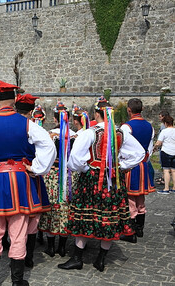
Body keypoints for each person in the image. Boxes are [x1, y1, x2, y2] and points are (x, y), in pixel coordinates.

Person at [0, 81, 56, 286]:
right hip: (21, 181)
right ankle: (17, 281)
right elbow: (49, 146)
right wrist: (37, 168)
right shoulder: (27, 124)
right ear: (14, 100)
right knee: (19, 232)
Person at [58, 96, 145, 272]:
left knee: (84, 216)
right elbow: (139, 153)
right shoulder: (120, 132)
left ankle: (77, 258)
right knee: (110, 217)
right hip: (113, 180)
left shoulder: (90, 132)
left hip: (92, 180)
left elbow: (75, 159)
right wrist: (121, 166)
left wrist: (84, 169)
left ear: (97, 114)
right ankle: (101, 259)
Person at [15, 93, 51, 268]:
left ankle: (14, 251)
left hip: (9, 176)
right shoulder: (33, 127)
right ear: (30, 111)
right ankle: (27, 256)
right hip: (29, 177)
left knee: (12, 216)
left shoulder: (8, 126)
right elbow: (48, 149)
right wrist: (36, 168)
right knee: (31, 219)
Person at [38, 102, 75, 260]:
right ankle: (62, 246)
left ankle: (51, 246)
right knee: (65, 209)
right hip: (67, 176)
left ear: (54, 118)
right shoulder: (74, 134)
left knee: (51, 208)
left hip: (52, 175)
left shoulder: (48, 134)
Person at [119, 98, 155, 243]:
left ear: (129, 110)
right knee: (140, 198)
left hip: (131, 165)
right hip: (144, 164)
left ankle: (130, 232)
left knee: (130, 198)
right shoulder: (150, 126)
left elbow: (122, 147)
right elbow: (150, 148)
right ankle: (139, 229)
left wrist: (122, 163)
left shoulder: (126, 127)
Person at [154, 115, 175, 194]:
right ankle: (174, 187)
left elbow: (159, 142)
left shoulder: (164, 131)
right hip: (174, 151)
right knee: (173, 170)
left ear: (166, 123)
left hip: (166, 151)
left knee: (166, 170)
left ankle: (166, 188)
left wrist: (155, 147)